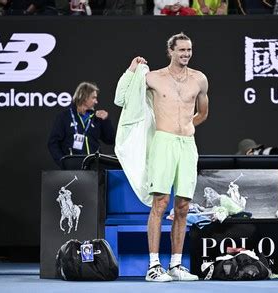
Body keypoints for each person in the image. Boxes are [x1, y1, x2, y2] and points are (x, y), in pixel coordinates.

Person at [114, 33, 209, 282]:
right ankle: (154, 266)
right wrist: (130, 70)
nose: (186, 54)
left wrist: (187, 127)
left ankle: (176, 265)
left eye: (189, 50)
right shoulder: (154, 78)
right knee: (160, 203)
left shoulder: (199, 79)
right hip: (163, 142)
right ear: (171, 51)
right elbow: (121, 98)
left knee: (183, 206)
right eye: (181, 50)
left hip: (187, 144)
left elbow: (203, 111)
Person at [48, 82, 115, 168]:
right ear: (84, 98)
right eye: (93, 98)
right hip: (73, 169)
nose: (96, 101)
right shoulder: (64, 117)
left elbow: (110, 140)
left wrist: (106, 121)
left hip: (94, 167)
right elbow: (53, 143)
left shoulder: (96, 118)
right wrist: (63, 162)